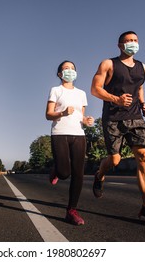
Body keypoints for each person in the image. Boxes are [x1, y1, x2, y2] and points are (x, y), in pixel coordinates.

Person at [90, 31, 145, 227]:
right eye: (128, 41)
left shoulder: (143, 67)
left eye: (135, 40)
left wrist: (143, 103)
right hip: (113, 118)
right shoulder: (108, 64)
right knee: (114, 160)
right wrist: (116, 99)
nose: (133, 43)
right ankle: (99, 175)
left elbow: (139, 86)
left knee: (143, 155)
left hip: (135, 117)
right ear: (119, 45)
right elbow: (95, 89)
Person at [46, 60, 94, 225]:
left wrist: (86, 120)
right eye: (66, 68)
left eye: (72, 68)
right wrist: (63, 112)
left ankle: (71, 211)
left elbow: (82, 115)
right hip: (59, 133)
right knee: (64, 173)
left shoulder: (81, 93)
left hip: (78, 134)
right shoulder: (56, 90)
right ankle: (56, 169)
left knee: (78, 174)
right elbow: (48, 114)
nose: (70, 71)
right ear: (60, 74)